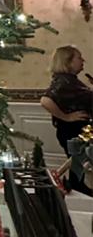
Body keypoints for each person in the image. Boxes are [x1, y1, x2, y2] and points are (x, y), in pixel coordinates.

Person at [40, 46, 93, 196]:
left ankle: (80, 202)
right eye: (79, 57)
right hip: (73, 131)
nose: (83, 61)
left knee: (80, 171)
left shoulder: (70, 81)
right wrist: (67, 117)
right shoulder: (64, 81)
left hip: (78, 131)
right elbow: (45, 100)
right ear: (68, 61)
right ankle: (82, 205)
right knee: (82, 171)